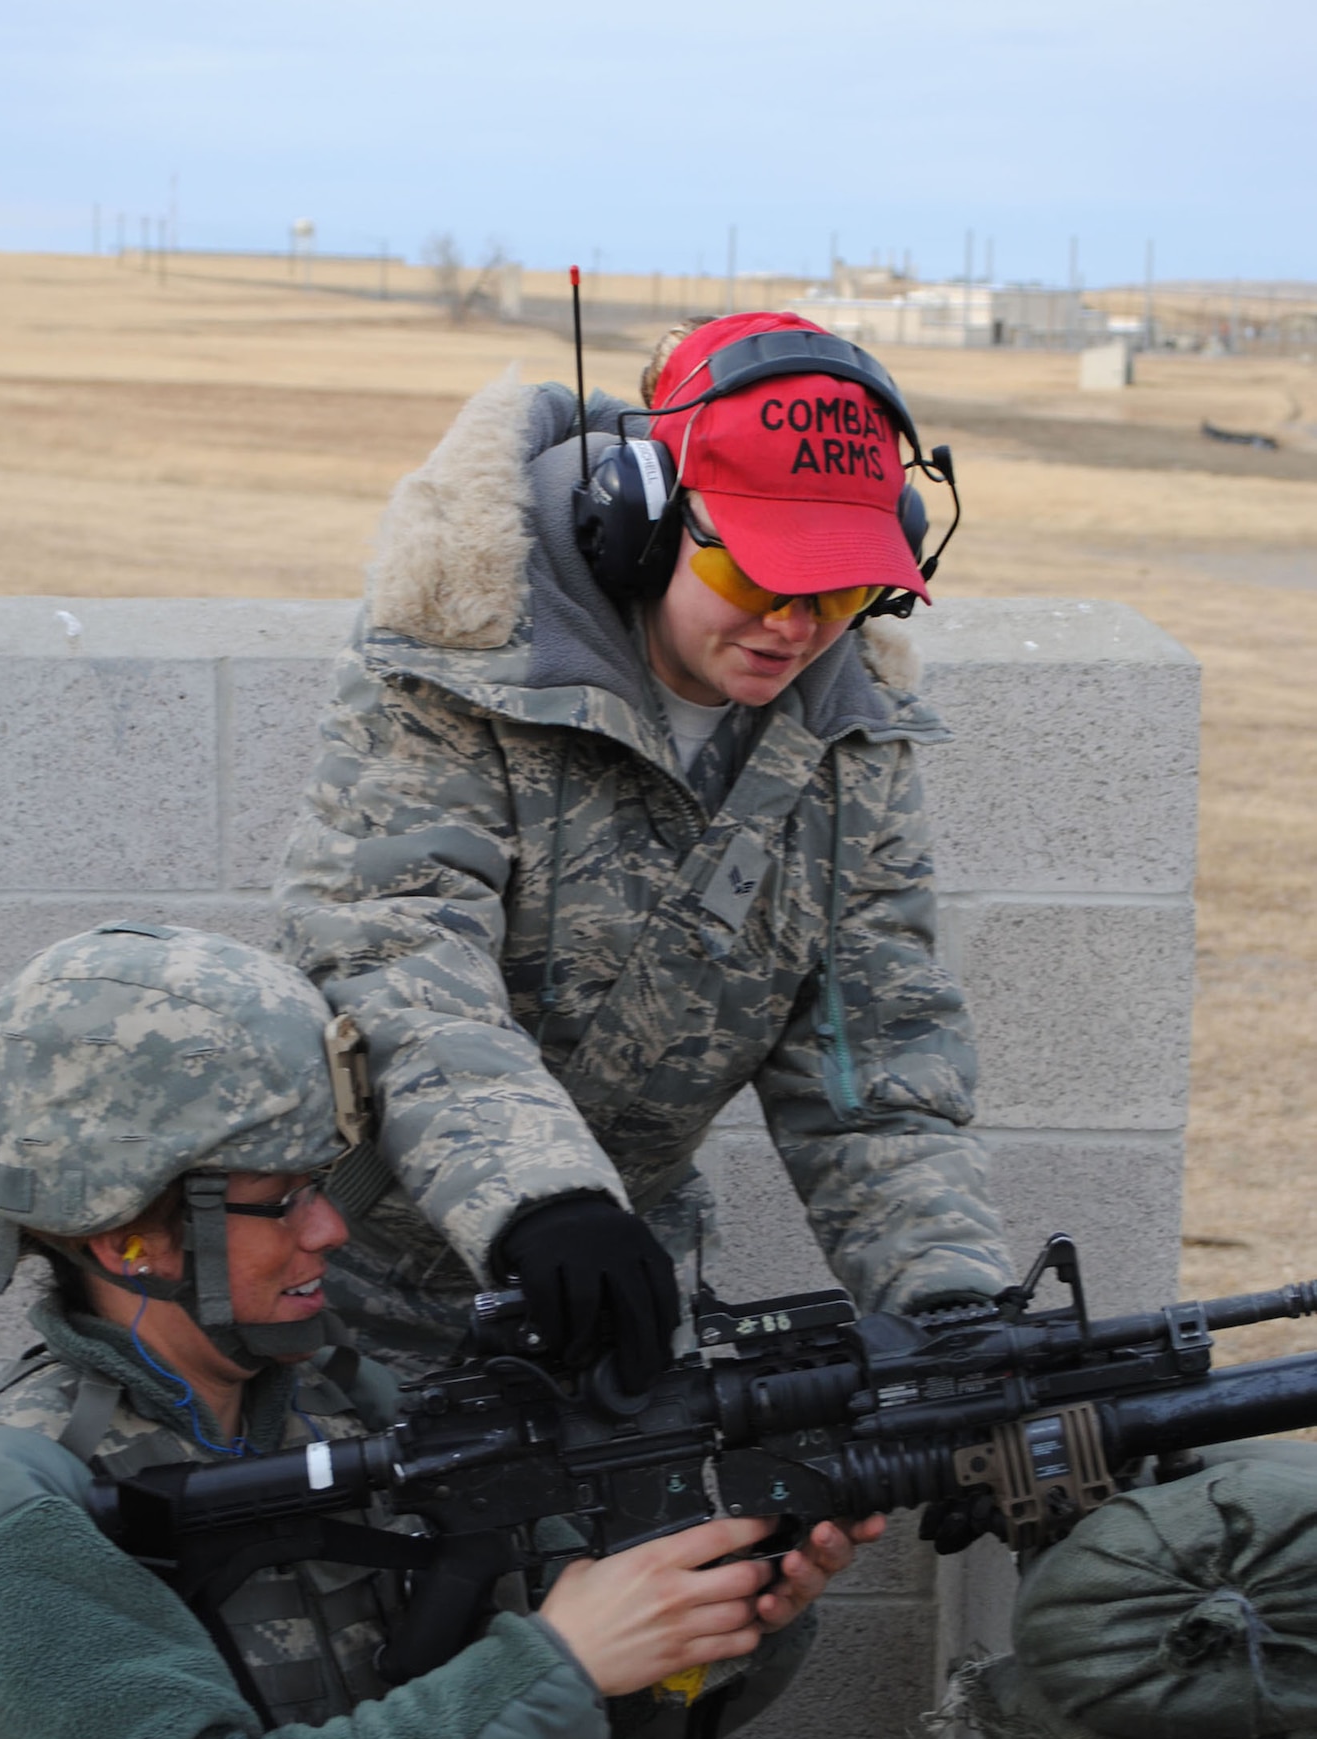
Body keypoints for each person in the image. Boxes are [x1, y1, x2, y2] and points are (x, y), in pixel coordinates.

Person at [0, 921, 868, 1739]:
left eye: (328, 1183)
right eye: (283, 1197)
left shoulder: (352, 1415)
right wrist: (564, 1658)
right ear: (128, 1233)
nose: (329, 1230)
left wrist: (709, 1618)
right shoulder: (5, 1507)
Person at [277, 308, 1015, 1389]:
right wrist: (545, 1195)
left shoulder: (850, 738)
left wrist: (946, 1295)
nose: (795, 627)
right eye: (760, 575)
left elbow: (875, 1065)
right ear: (646, 518)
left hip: (621, 1289)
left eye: (842, 587)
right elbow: (397, 968)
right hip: (352, 1288)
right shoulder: (458, 669)